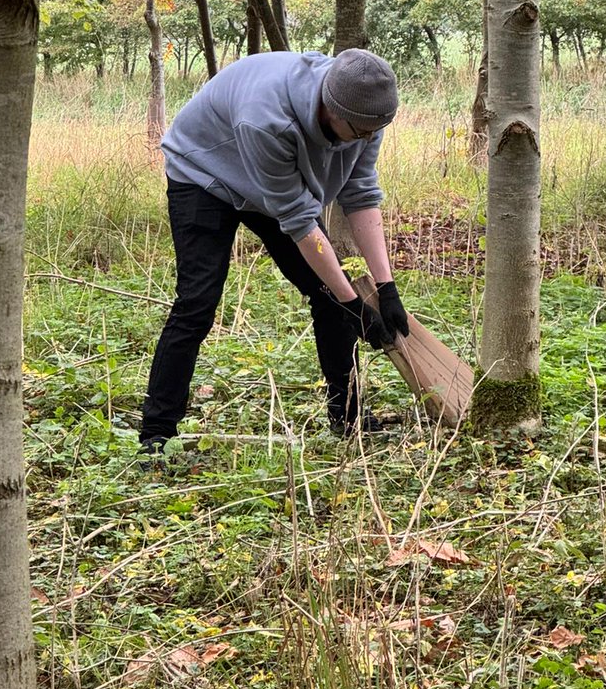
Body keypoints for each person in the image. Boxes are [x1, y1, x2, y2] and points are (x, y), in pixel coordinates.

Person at [138, 48, 410, 457]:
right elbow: (300, 221)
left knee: (329, 294)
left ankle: (347, 415)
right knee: (198, 302)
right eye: (360, 132)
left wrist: (385, 288)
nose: (368, 139)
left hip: (270, 184)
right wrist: (353, 303)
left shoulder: (366, 114)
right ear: (330, 108)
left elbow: (361, 194)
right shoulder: (267, 118)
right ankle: (157, 432)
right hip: (204, 173)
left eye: (375, 131)